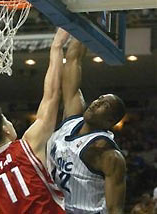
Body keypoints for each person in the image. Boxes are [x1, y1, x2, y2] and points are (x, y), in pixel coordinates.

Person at [0, 28, 69, 214]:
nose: (11, 124)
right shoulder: (29, 144)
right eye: (8, 121)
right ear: (5, 129)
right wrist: (57, 46)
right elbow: (52, 96)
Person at [47, 38, 126, 214]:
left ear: (110, 122)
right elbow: (73, 59)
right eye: (99, 99)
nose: (97, 103)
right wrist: (80, 24)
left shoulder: (107, 154)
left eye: (104, 105)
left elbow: (115, 208)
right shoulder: (73, 117)